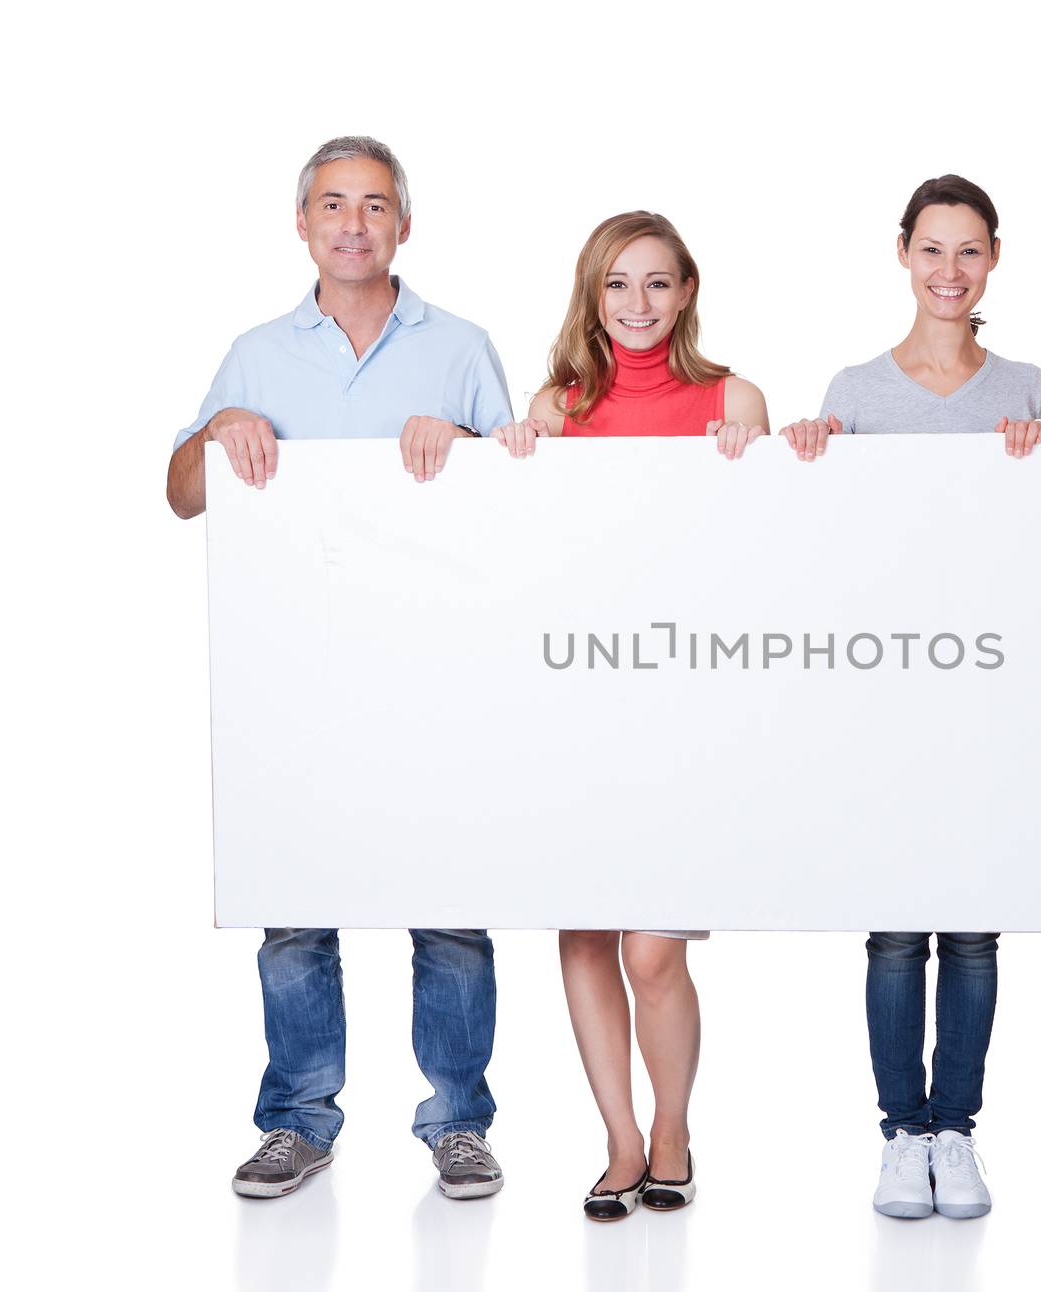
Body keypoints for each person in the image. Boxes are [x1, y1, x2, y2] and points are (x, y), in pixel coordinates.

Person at [166, 136, 514, 1201]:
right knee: (294, 903)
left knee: (449, 901)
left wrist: (462, 441)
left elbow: (526, 504)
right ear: (304, 225)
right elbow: (183, 491)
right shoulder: (258, 354)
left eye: (373, 205)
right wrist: (218, 430)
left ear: (403, 224)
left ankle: (458, 1118)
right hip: (294, 673)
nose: (353, 223)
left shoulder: (459, 345)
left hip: (433, 665)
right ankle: (298, 1119)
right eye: (332, 204)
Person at [780, 175, 1041, 1220]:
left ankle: (957, 1127)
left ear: (994, 260)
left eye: (970, 252)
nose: (951, 271)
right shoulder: (854, 390)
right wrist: (811, 458)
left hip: (993, 695)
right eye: (932, 249)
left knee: (976, 929)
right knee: (897, 929)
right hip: (886, 693)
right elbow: (825, 550)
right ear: (902, 253)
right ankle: (901, 1130)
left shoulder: (1026, 388)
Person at [494, 210, 768, 1219]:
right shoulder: (557, 410)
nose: (638, 304)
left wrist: (757, 459)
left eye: (657, 283)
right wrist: (513, 458)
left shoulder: (730, 397)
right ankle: (617, 1138)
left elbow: (766, 555)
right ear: (593, 295)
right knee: (585, 931)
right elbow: (531, 555)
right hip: (576, 699)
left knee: (655, 947)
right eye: (618, 285)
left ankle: (671, 1127)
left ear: (686, 289)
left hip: (684, 698)